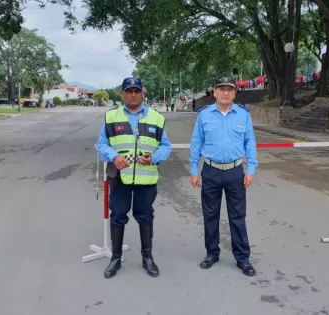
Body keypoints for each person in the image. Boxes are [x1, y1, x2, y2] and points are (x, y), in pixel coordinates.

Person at [95, 77, 172, 279]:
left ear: (143, 92)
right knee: (118, 216)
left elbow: (166, 146)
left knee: (145, 217)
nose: (133, 94)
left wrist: (154, 157)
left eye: (137, 90)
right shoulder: (111, 117)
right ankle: (116, 259)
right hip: (121, 178)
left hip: (146, 179)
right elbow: (101, 144)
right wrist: (114, 156)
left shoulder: (156, 117)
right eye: (129, 91)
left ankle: (147, 258)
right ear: (122, 94)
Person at [189, 75, 258, 277]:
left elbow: (250, 143)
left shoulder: (243, 115)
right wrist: (194, 171)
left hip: (235, 172)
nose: (226, 93)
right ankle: (212, 253)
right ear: (215, 92)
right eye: (222, 89)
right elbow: (196, 144)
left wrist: (251, 170)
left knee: (237, 217)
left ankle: (243, 258)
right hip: (210, 171)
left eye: (230, 89)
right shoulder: (204, 115)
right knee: (210, 215)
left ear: (234, 93)